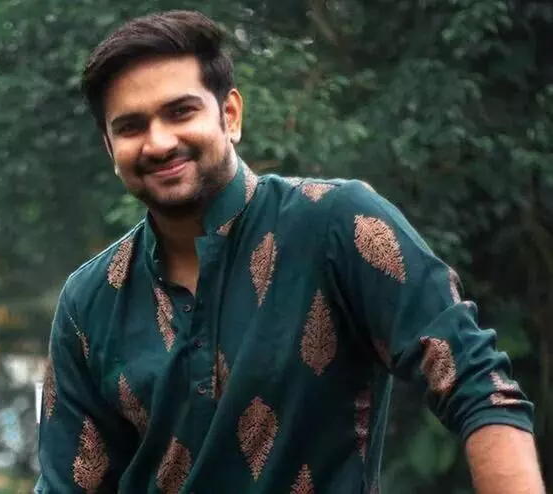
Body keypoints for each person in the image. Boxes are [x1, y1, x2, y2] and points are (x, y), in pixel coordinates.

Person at [34, 10, 545, 494]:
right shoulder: (89, 302)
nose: (159, 142)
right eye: (131, 127)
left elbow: (478, 385)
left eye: (180, 112)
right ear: (110, 148)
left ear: (230, 115)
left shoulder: (337, 223)